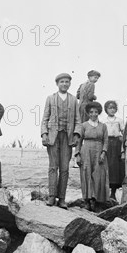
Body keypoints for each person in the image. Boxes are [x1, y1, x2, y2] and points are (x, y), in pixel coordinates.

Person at [41, 73, 81, 209]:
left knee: (64, 168)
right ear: (57, 83)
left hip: (67, 137)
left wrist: (76, 134)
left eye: (67, 82)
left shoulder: (74, 100)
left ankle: (62, 198)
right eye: (62, 82)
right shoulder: (50, 99)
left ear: (70, 84)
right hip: (53, 137)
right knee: (53, 167)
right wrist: (44, 134)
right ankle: (51, 196)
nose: (64, 84)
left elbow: (78, 121)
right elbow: (45, 118)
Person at [76, 102, 109, 211]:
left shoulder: (103, 126)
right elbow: (79, 141)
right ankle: (87, 200)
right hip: (86, 151)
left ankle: (96, 201)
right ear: (88, 113)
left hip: (99, 151)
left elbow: (106, 141)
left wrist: (103, 152)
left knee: (99, 175)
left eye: (96, 112)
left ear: (98, 113)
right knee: (86, 173)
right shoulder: (84, 125)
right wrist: (77, 155)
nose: (93, 114)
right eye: (91, 112)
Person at [103, 100, 124, 201]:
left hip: (116, 144)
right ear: (106, 109)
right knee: (107, 166)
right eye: (109, 108)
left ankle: (113, 193)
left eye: (114, 108)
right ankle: (105, 192)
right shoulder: (103, 121)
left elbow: (124, 132)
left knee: (115, 168)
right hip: (107, 143)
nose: (112, 110)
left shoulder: (119, 120)